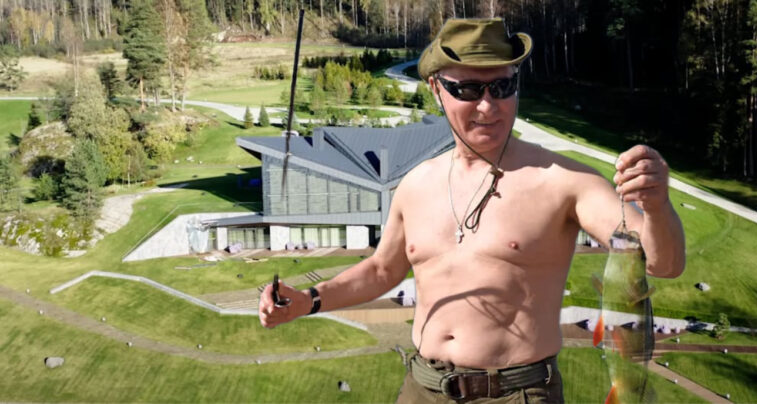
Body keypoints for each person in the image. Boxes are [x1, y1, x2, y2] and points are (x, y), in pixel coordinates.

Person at [259, 18, 685, 403]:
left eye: (501, 87)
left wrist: (657, 207)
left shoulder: (566, 181)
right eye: (467, 90)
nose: (487, 106)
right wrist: (309, 300)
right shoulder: (416, 184)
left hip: (516, 393)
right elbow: (381, 271)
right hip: (423, 387)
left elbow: (663, 264)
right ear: (435, 89)